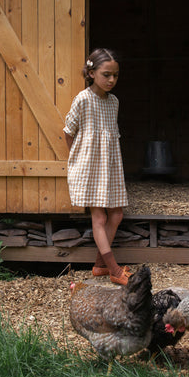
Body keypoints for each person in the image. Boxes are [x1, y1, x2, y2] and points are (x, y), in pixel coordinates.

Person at [63, 48, 131, 285]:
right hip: (89, 167)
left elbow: (111, 136)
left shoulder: (114, 102)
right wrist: (80, 158)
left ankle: (100, 265)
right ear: (91, 73)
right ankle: (113, 269)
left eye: (115, 75)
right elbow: (68, 132)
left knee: (117, 213)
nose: (111, 80)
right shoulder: (83, 99)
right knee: (99, 216)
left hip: (109, 166)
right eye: (106, 74)